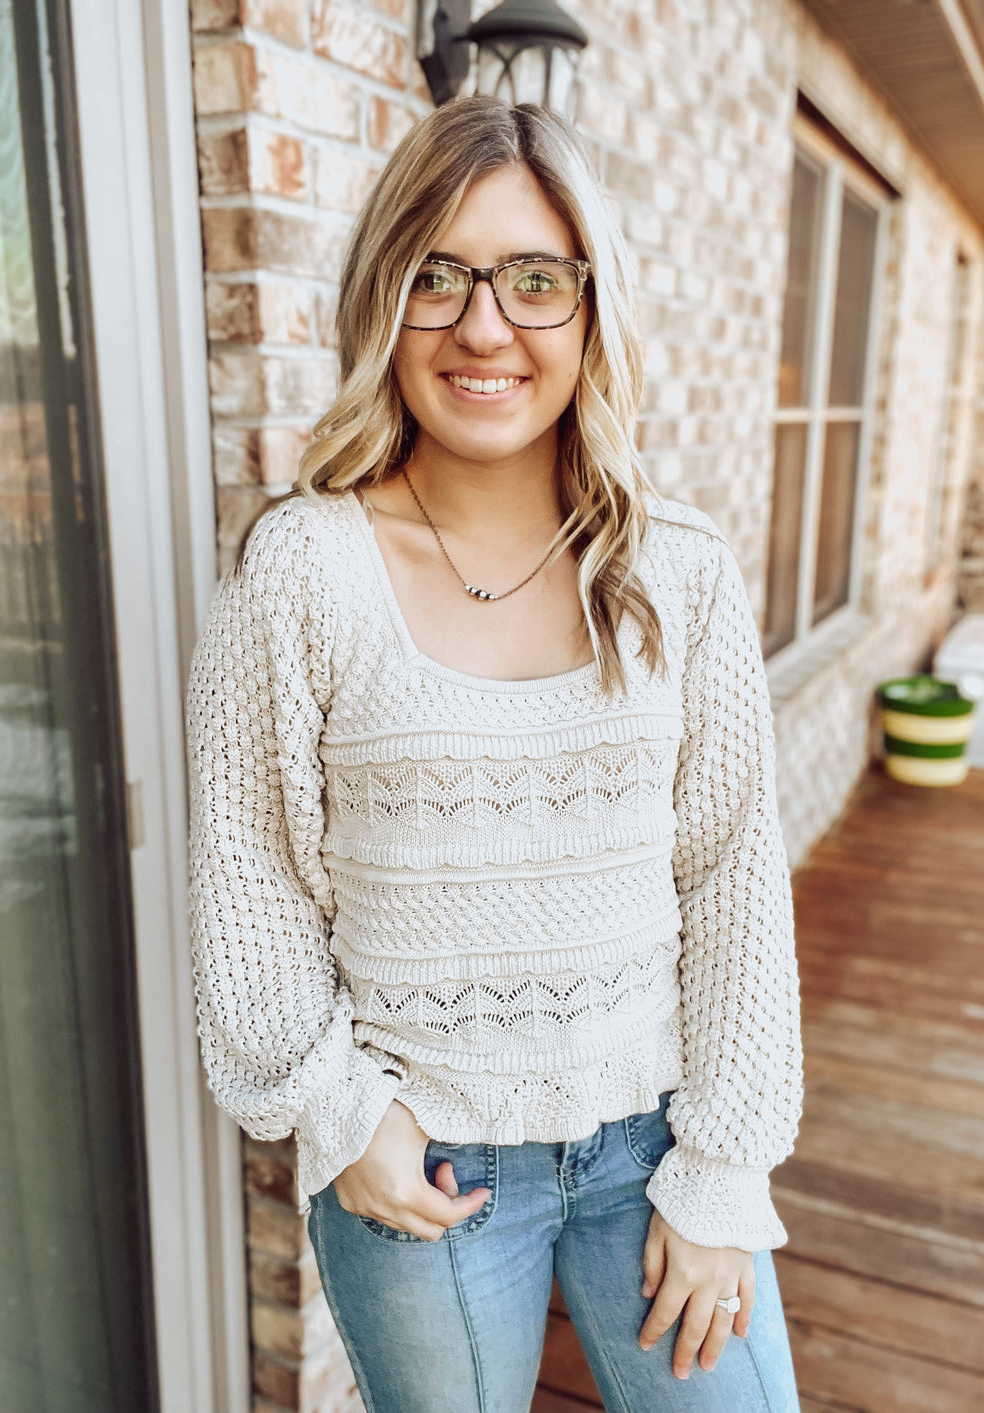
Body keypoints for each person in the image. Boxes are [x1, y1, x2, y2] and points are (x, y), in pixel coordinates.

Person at [186, 95, 803, 1413]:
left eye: (535, 279)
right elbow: (249, 873)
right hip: (425, 1167)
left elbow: (734, 873)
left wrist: (724, 1171)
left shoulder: (676, 570)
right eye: (440, 276)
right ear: (383, 299)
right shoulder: (303, 570)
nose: (485, 326)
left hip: (657, 1144)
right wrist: (340, 1111)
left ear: (591, 306)